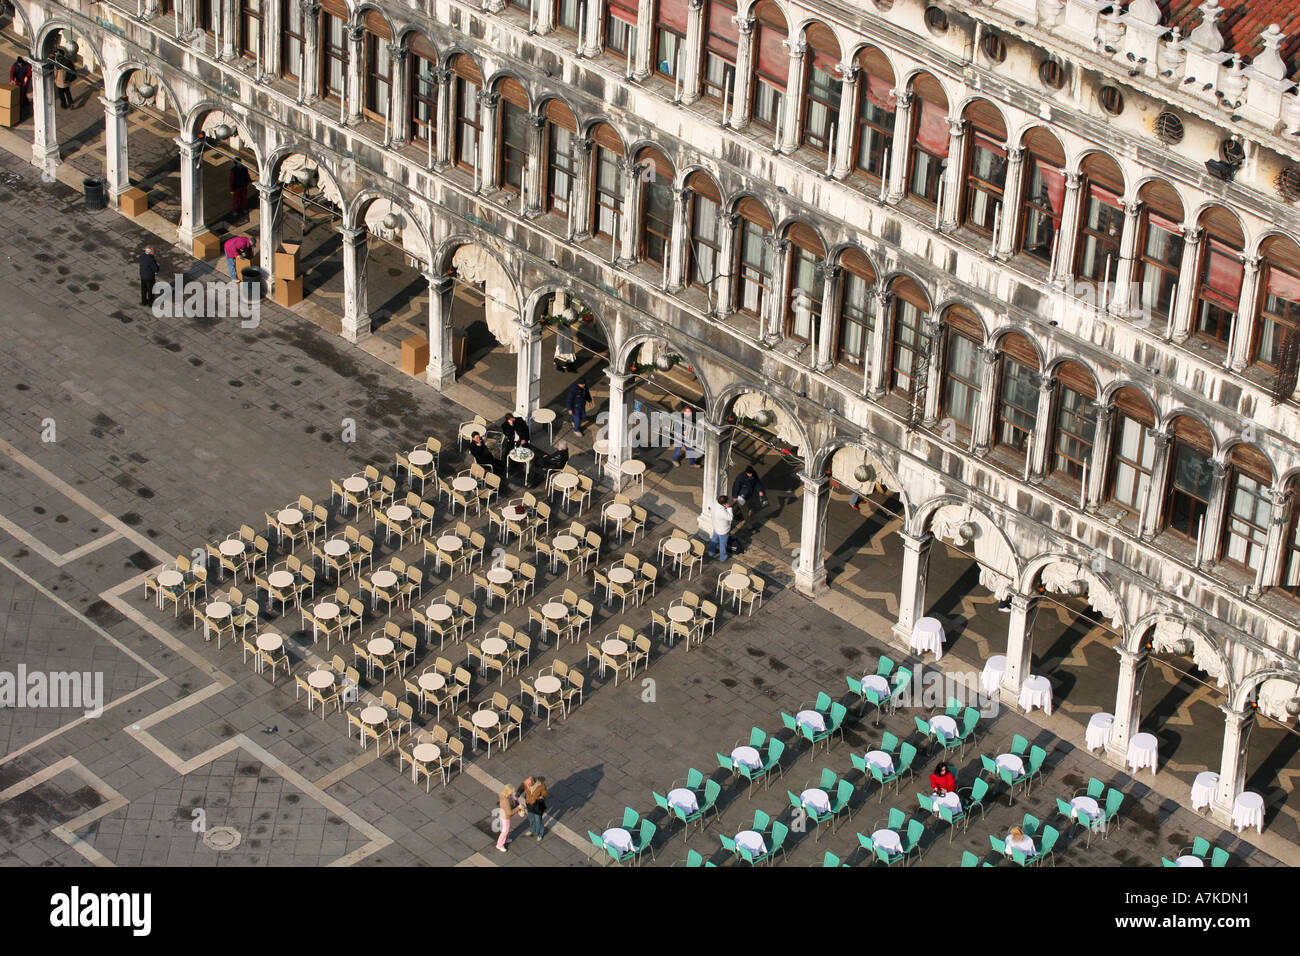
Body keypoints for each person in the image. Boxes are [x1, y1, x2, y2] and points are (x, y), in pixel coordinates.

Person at [730, 464, 768, 531]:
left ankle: (730, 515)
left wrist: (760, 491)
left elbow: (757, 482)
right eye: (749, 474)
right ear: (746, 472)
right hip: (741, 496)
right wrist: (735, 496)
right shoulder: (740, 477)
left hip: (748, 495)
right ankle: (749, 526)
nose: (751, 475)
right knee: (745, 511)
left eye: (751, 473)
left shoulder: (754, 474)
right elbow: (736, 487)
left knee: (736, 507)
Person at [495, 784, 525, 852]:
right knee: (505, 831)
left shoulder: (505, 796)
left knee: (506, 830)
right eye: (511, 792)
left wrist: (516, 802)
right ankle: (499, 845)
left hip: (504, 816)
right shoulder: (505, 801)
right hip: (505, 817)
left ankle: (505, 839)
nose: (512, 793)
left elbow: (512, 800)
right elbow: (510, 812)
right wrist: (518, 808)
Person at [522, 775, 549, 841]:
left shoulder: (541, 785)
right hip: (529, 804)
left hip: (537, 806)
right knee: (531, 818)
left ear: (533, 782)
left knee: (538, 820)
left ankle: (540, 834)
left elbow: (545, 793)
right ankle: (532, 829)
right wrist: (518, 793)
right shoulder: (526, 783)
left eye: (529, 785)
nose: (528, 786)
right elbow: (522, 787)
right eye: (527, 784)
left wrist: (542, 797)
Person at [708, 494, 734, 561]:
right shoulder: (721, 511)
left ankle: (711, 552)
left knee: (714, 540)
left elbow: (709, 508)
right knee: (722, 545)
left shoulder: (714, 504)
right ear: (724, 503)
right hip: (723, 531)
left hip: (716, 527)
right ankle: (723, 557)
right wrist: (729, 508)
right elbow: (730, 518)